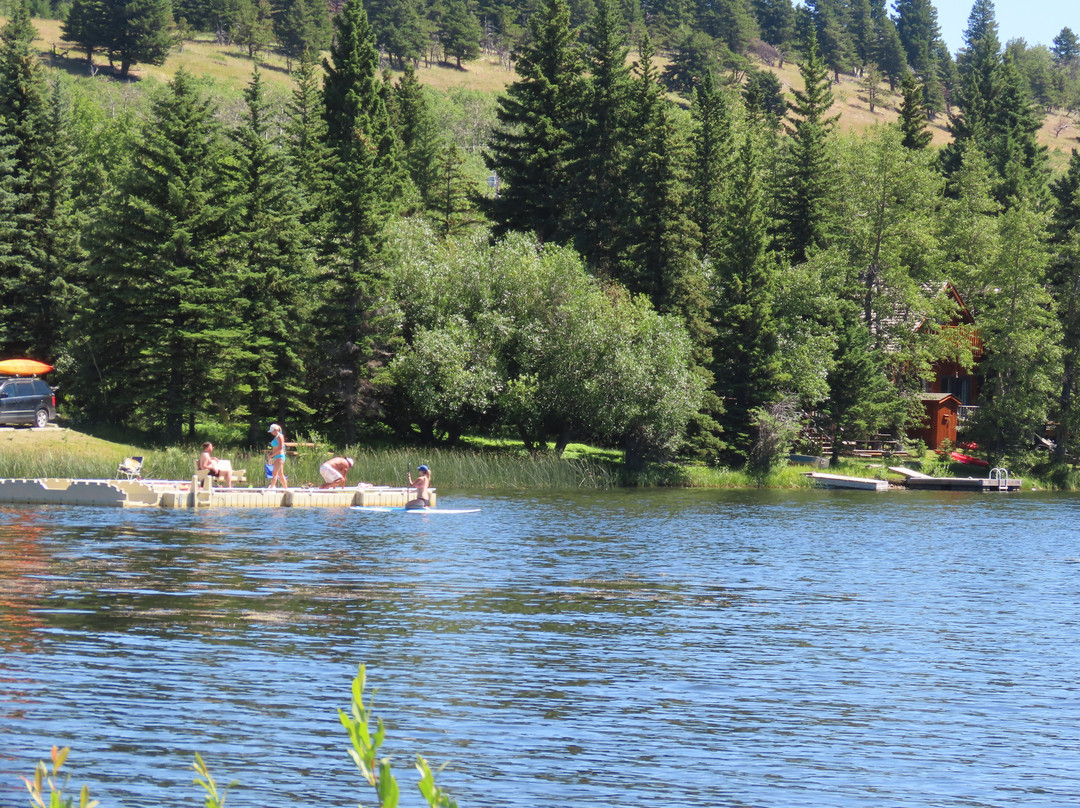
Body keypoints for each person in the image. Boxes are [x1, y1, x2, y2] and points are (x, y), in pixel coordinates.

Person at [266, 423, 289, 489]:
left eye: (272, 431)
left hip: (279, 456)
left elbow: (280, 448)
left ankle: (271, 489)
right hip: (276, 456)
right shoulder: (276, 437)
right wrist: (272, 454)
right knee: (280, 475)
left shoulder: (280, 436)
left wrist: (272, 455)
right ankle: (286, 489)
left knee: (274, 473)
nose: (271, 433)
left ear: (276, 430)